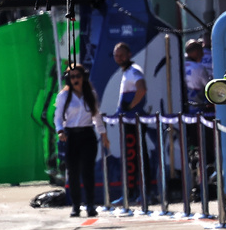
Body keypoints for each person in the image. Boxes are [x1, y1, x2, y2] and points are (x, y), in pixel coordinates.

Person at [54, 64, 109, 217]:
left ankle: (90, 204)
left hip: (87, 135)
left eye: (78, 76)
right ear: (68, 80)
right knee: (72, 172)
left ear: (83, 77)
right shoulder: (63, 96)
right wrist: (60, 131)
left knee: (87, 172)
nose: (75, 79)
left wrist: (103, 134)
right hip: (71, 135)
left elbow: (96, 117)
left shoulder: (90, 94)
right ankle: (76, 205)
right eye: (72, 77)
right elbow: (57, 117)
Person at [114, 42, 152, 200]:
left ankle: (144, 193)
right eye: (116, 56)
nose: (119, 58)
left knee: (138, 157)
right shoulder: (126, 72)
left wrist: (130, 106)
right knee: (131, 157)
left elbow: (142, 88)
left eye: (122, 55)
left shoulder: (134, 70)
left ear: (129, 54)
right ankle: (131, 193)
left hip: (134, 122)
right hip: (128, 123)